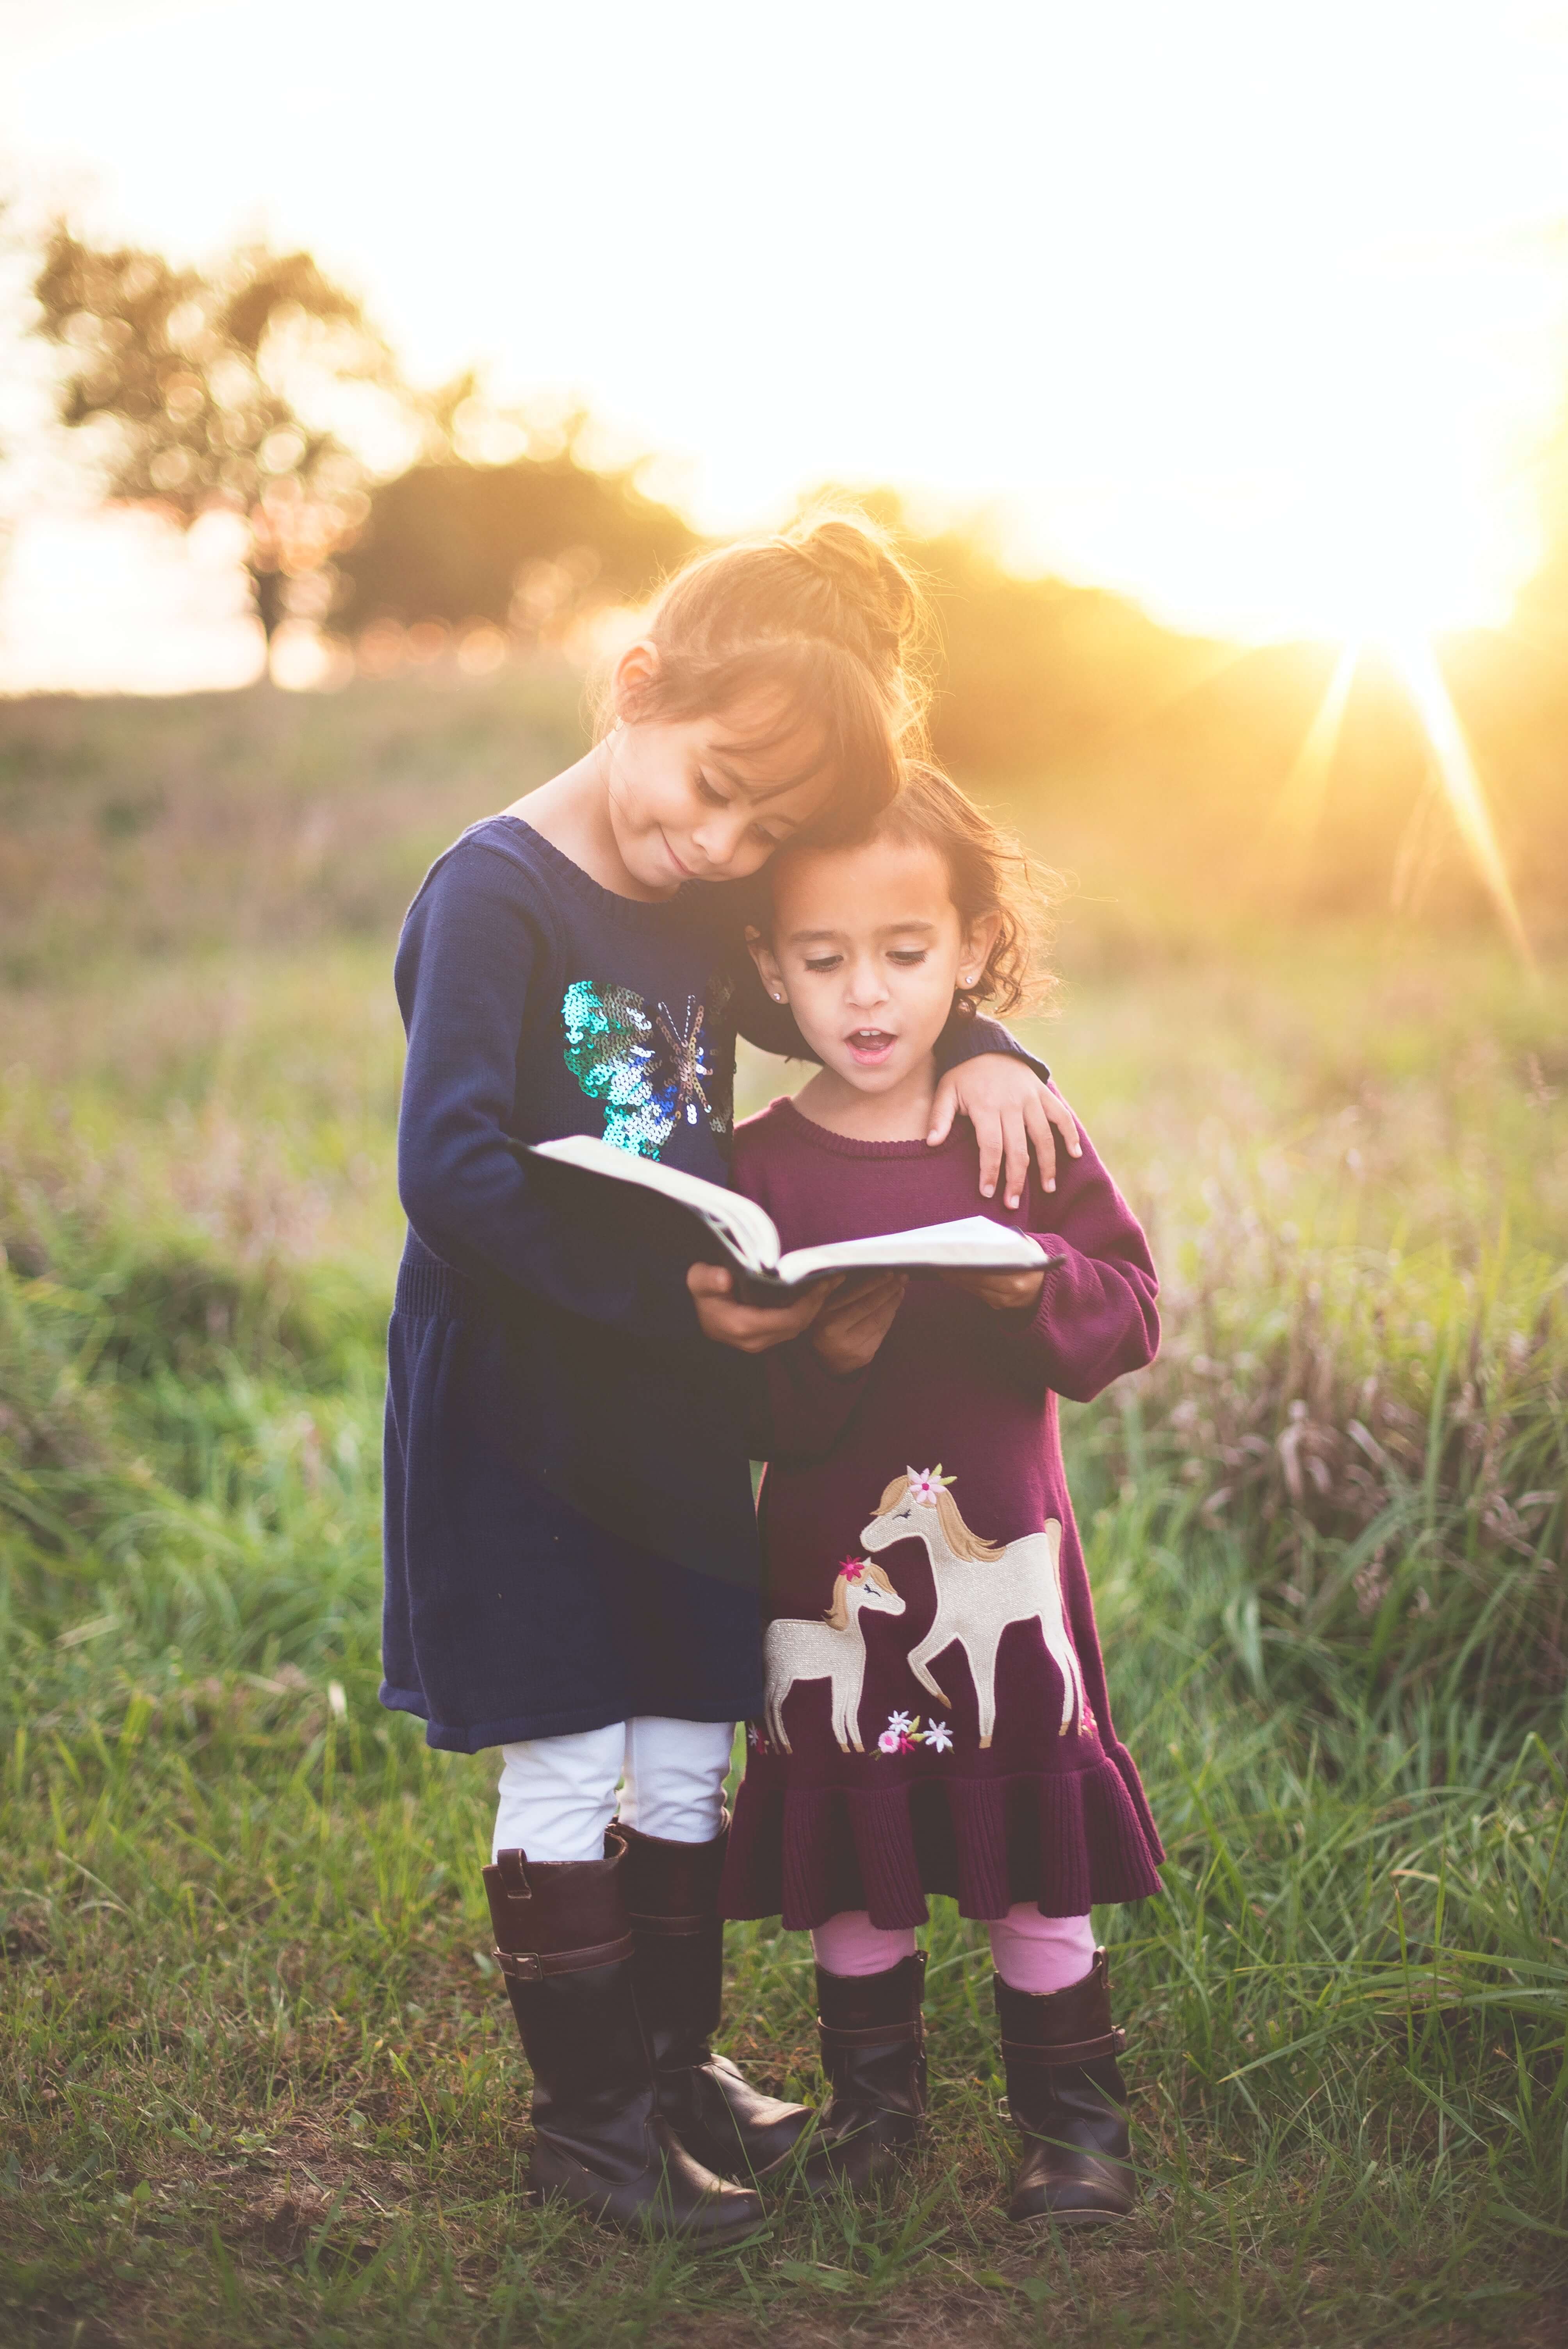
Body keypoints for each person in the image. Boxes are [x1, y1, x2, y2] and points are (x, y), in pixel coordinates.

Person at [381, 514, 1079, 2246]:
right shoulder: (493, 889)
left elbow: (838, 995)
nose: (721, 844)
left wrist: (983, 1040)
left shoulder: (699, 899)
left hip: (677, 1403)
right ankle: (590, 2125)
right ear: (634, 687)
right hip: (526, 1404)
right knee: (565, 1747)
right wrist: (664, 1297)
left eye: (762, 831)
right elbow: (451, 1170)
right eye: (711, 792)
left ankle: (678, 2066)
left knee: (691, 1735)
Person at [718, 765, 1164, 2228]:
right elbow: (725, 1404)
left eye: (905, 955)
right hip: (827, 1571)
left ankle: (1072, 2126)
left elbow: (1128, 1316)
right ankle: (874, 2114)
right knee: (854, 1847)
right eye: (823, 958)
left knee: (1033, 1850)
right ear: (771, 968)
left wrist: (1030, 1281)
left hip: (1003, 1558)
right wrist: (822, 1357)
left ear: (971, 950)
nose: (865, 994)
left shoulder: (1017, 1128)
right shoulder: (756, 1171)